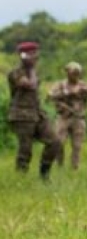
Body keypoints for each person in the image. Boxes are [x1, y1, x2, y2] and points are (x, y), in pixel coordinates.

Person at [6, 42, 61, 180]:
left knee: (54, 141)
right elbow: (30, 85)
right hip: (22, 115)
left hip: (37, 113)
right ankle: (21, 178)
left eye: (36, 54)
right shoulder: (16, 73)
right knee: (26, 149)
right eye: (32, 54)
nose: (36, 58)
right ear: (23, 56)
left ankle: (44, 174)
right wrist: (31, 69)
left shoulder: (33, 72)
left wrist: (32, 69)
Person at [48, 62, 87, 170]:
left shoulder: (83, 85)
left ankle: (74, 168)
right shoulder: (60, 85)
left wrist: (82, 91)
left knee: (77, 145)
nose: (75, 75)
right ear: (67, 73)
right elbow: (50, 95)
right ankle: (59, 165)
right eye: (73, 73)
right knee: (59, 142)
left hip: (79, 118)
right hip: (63, 118)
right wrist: (67, 93)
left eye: (77, 73)